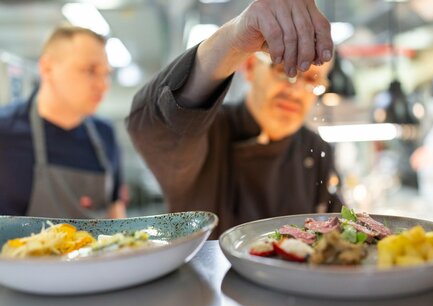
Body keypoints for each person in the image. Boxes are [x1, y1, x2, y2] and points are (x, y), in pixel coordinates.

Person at [126, 0, 340, 235]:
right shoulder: (210, 131)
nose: (295, 90)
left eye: (311, 80)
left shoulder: (315, 149)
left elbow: (335, 232)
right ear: (249, 68)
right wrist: (234, 39)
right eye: (283, 70)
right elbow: (151, 126)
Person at [0, 25, 126, 219]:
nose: (103, 85)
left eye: (106, 73)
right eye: (90, 70)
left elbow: (115, 210)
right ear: (47, 68)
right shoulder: (5, 131)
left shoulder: (104, 134)